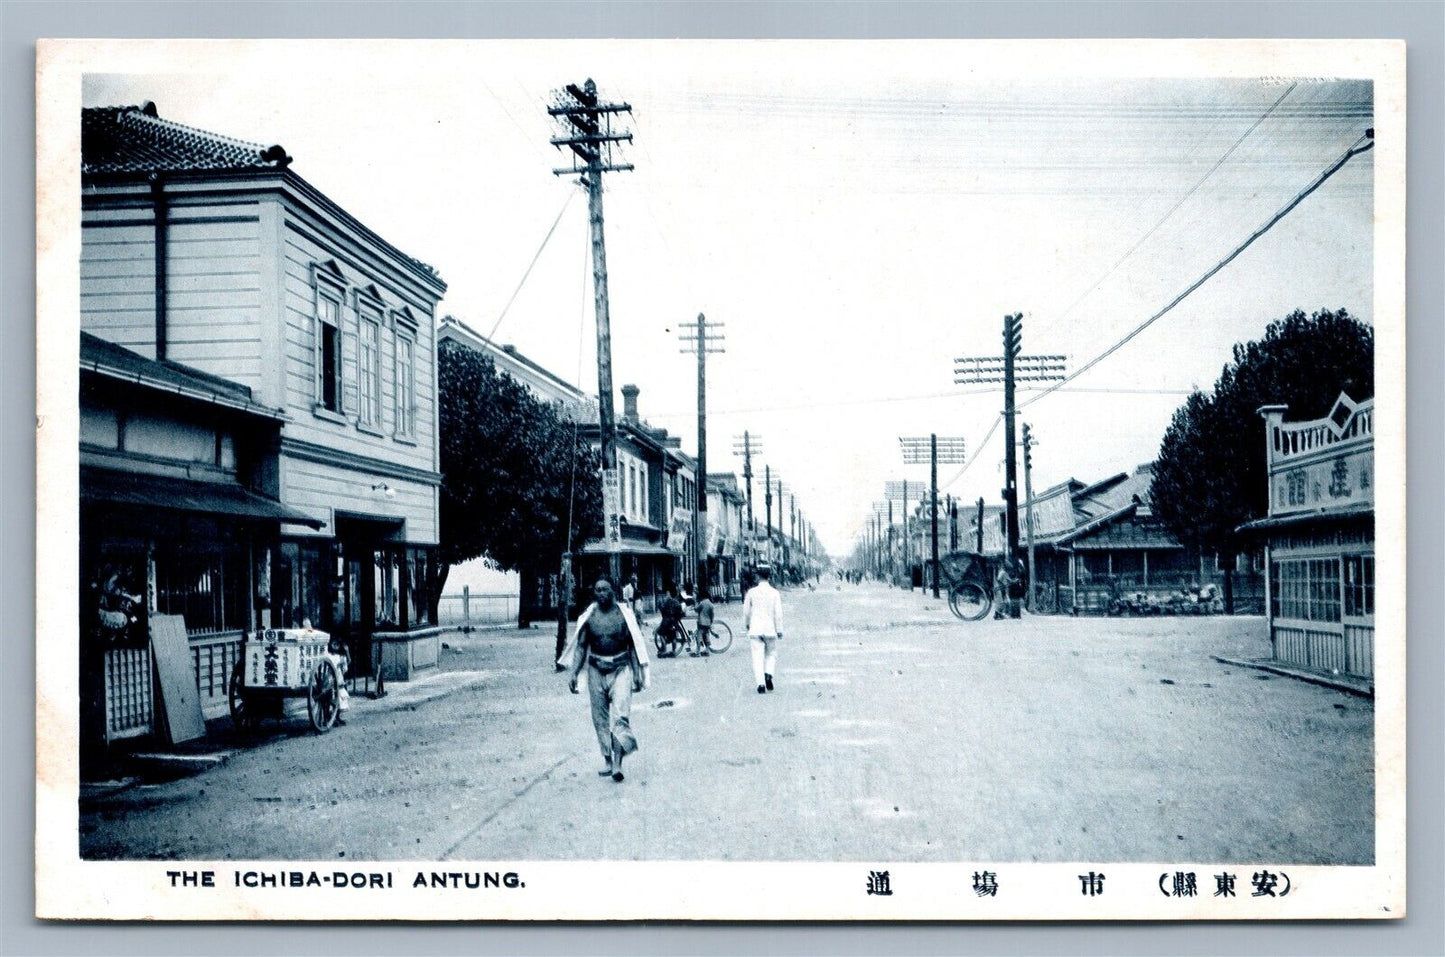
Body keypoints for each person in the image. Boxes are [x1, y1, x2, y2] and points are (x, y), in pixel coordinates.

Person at [557, 578, 651, 782]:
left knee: (620, 717)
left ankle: (618, 763)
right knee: (599, 718)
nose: (601, 593)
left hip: (620, 669)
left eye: (605, 589)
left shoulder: (623, 615)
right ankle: (608, 759)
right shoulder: (590, 616)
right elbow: (581, 646)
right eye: (597, 589)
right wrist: (573, 672)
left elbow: (633, 644)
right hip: (595, 670)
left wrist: (636, 673)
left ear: (612, 591)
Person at [742, 564, 783, 694]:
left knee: (757, 657)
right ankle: (768, 674)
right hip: (770, 629)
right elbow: (778, 613)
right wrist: (779, 629)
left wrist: (747, 624)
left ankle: (760, 684)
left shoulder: (751, 592)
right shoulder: (775, 593)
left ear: (758, 576)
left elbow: (746, 612)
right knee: (771, 654)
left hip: (755, 629)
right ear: (769, 576)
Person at [654, 582, 685, 657]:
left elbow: (663, 610)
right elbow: (680, 611)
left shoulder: (667, 601)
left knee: (661, 633)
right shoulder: (676, 602)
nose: (666, 594)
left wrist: (660, 606)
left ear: (669, 593)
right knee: (673, 636)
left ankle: (664, 650)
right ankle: (674, 651)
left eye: (667, 593)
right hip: (673, 622)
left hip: (666, 621)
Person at [691, 587, 715, 658]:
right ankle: (707, 651)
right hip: (708, 623)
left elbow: (696, 609)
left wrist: (695, 601)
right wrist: (711, 622)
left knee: (699, 637)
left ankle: (697, 652)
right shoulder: (711, 604)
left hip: (701, 623)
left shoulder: (702, 603)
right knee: (707, 636)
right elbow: (712, 615)